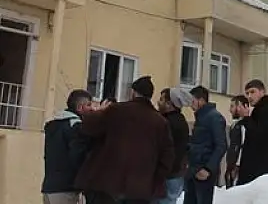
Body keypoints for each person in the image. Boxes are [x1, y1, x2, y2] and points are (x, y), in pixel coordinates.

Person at [75, 76, 175, 204]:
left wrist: (97, 112)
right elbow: (167, 156)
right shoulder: (160, 122)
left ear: (133, 92)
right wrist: (155, 178)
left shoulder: (116, 110)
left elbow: (89, 127)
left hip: (109, 184)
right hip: (140, 189)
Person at [41, 89, 94, 204]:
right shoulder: (75, 126)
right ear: (80, 107)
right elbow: (77, 157)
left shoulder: (53, 125)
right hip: (66, 189)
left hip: (49, 187)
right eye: (89, 105)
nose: (92, 109)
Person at [237, 79, 268, 185]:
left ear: (262, 92)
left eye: (252, 92)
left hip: (260, 168)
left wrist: (246, 118)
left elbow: (261, 136)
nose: (249, 96)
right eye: (247, 93)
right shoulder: (260, 110)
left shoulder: (267, 110)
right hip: (258, 166)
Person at [184, 86, 227, 204]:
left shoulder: (214, 117)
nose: (190, 105)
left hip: (204, 172)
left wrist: (208, 169)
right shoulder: (201, 117)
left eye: (192, 101)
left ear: (201, 100)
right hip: (193, 170)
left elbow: (221, 145)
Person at [156, 88, 192, 204]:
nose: (158, 102)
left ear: (169, 104)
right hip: (176, 174)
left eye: (161, 99)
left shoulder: (167, 123)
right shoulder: (181, 121)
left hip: (168, 176)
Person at [224, 95, 249, 188]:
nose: (230, 110)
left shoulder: (243, 125)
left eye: (232, 106)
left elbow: (242, 145)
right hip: (231, 163)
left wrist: (237, 165)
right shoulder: (235, 124)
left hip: (236, 166)